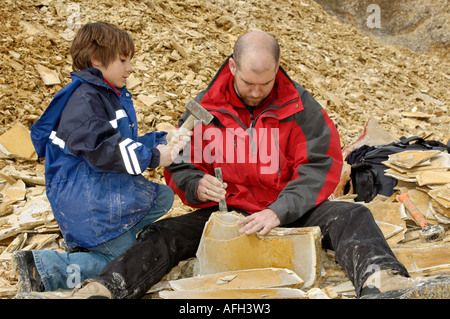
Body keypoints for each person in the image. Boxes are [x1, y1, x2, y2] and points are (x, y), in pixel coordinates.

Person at [19, 31, 448, 299]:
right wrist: (195, 185)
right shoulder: (207, 107)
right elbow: (180, 162)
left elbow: (320, 167)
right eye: (248, 82)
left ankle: (383, 282)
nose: (258, 91)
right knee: (165, 233)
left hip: (286, 206)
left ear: (278, 69)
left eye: (267, 82)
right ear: (232, 67)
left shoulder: (301, 108)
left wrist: (278, 211)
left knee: (353, 214)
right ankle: (101, 288)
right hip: (231, 211)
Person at [13, 22, 190, 293]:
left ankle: (108, 245)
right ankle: (46, 268)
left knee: (162, 198)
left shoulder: (105, 95)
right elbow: (104, 150)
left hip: (96, 188)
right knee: (124, 263)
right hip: (87, 200)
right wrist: (154, 157)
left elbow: (120, 144)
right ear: (97, 59)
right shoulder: (85, 100)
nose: (130, 68)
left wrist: (160, 140)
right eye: (123, 60)